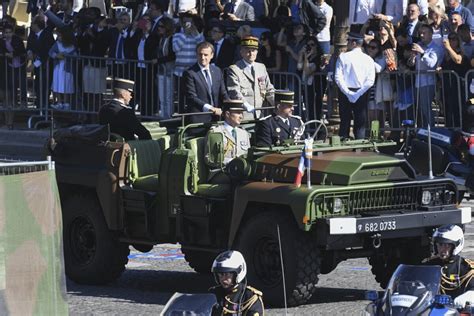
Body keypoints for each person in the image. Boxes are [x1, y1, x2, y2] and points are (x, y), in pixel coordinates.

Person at [335, 32, 375, 140]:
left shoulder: (343, 57)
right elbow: (370, 81)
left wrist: (348, 93)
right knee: (360, 122)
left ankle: (343, 144)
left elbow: (338, 78)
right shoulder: (369, 59)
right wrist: (357, 94)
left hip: (346, 91)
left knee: (345, 120)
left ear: (353, 43)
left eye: (348, 41)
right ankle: (359, 146)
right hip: (361, 91)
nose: (347, 43)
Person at [425, 224, 474, 308]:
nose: (442, 249)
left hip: (456, 310)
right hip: (431, 308)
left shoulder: (466, 267)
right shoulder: (429, 265)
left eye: (447, 245)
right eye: (440, 245)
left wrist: (468, 295)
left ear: (456, 245)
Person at [227, 36, 275, 120]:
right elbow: (234, 91)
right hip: (243, 115)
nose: (251, 53)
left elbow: (269, 89)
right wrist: (245, 105)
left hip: (260, 114)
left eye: (253, 50)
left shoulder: (261, 67)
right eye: (247, 50)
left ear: (257, 52)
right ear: (241, 52)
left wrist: (277, 104)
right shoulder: (234, 69)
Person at [184, 41, 228, 124]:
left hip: (217, 118)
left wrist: (231, 107)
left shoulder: (217, 71)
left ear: (212, 55)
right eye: (200, 54)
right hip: (198, 119)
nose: (203, 57)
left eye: (206, 55)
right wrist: (210, 108)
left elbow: (223, 93)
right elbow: (192, 97)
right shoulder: (190, 73)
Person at [209, 250, 264, 315]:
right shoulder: (213, 294)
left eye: (227, 274)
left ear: (238, 272)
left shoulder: (250, 297)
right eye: (220, 274)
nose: (223, 279)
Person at [207, 99, 250, 165]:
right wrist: (229, 162)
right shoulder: (215, 133)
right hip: (221, 172)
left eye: (242, 113)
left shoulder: (244, 134)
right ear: (227, 114)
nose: (241, 116)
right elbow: (209, 158)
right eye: (238, 113)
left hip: (240, 172)